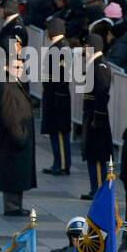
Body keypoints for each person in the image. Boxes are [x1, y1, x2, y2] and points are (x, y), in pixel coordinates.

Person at [0, 58, 36, 217]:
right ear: (6, 67)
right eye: (15, 67)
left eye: (21, 67)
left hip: (18, 138)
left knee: (18, 174)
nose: (19, 69)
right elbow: (9, 115)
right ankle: (12, 206)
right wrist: (19, 136)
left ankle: (16, 205)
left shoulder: (15, 83)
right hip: (13, 139)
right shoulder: (7, 86)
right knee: (13, 173)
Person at [80, 34, 113, 200]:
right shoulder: (94, 64)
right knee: (92, 154)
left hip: (96, 117)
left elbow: (102, 94)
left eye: (87, 45)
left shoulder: (100, 67)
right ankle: (95, 188)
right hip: (91, 115)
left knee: (97, 156)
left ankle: (99, 190)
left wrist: (97, 118)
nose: (84, 49)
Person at [40, 17, 72, 176]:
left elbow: (62, 74)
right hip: (52, 94)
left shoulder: (61, 48)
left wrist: (58, 96)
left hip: (57, 96)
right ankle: (57, 162)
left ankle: (63, 164)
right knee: (54, 130)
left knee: (59, 131)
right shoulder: (57, 46)